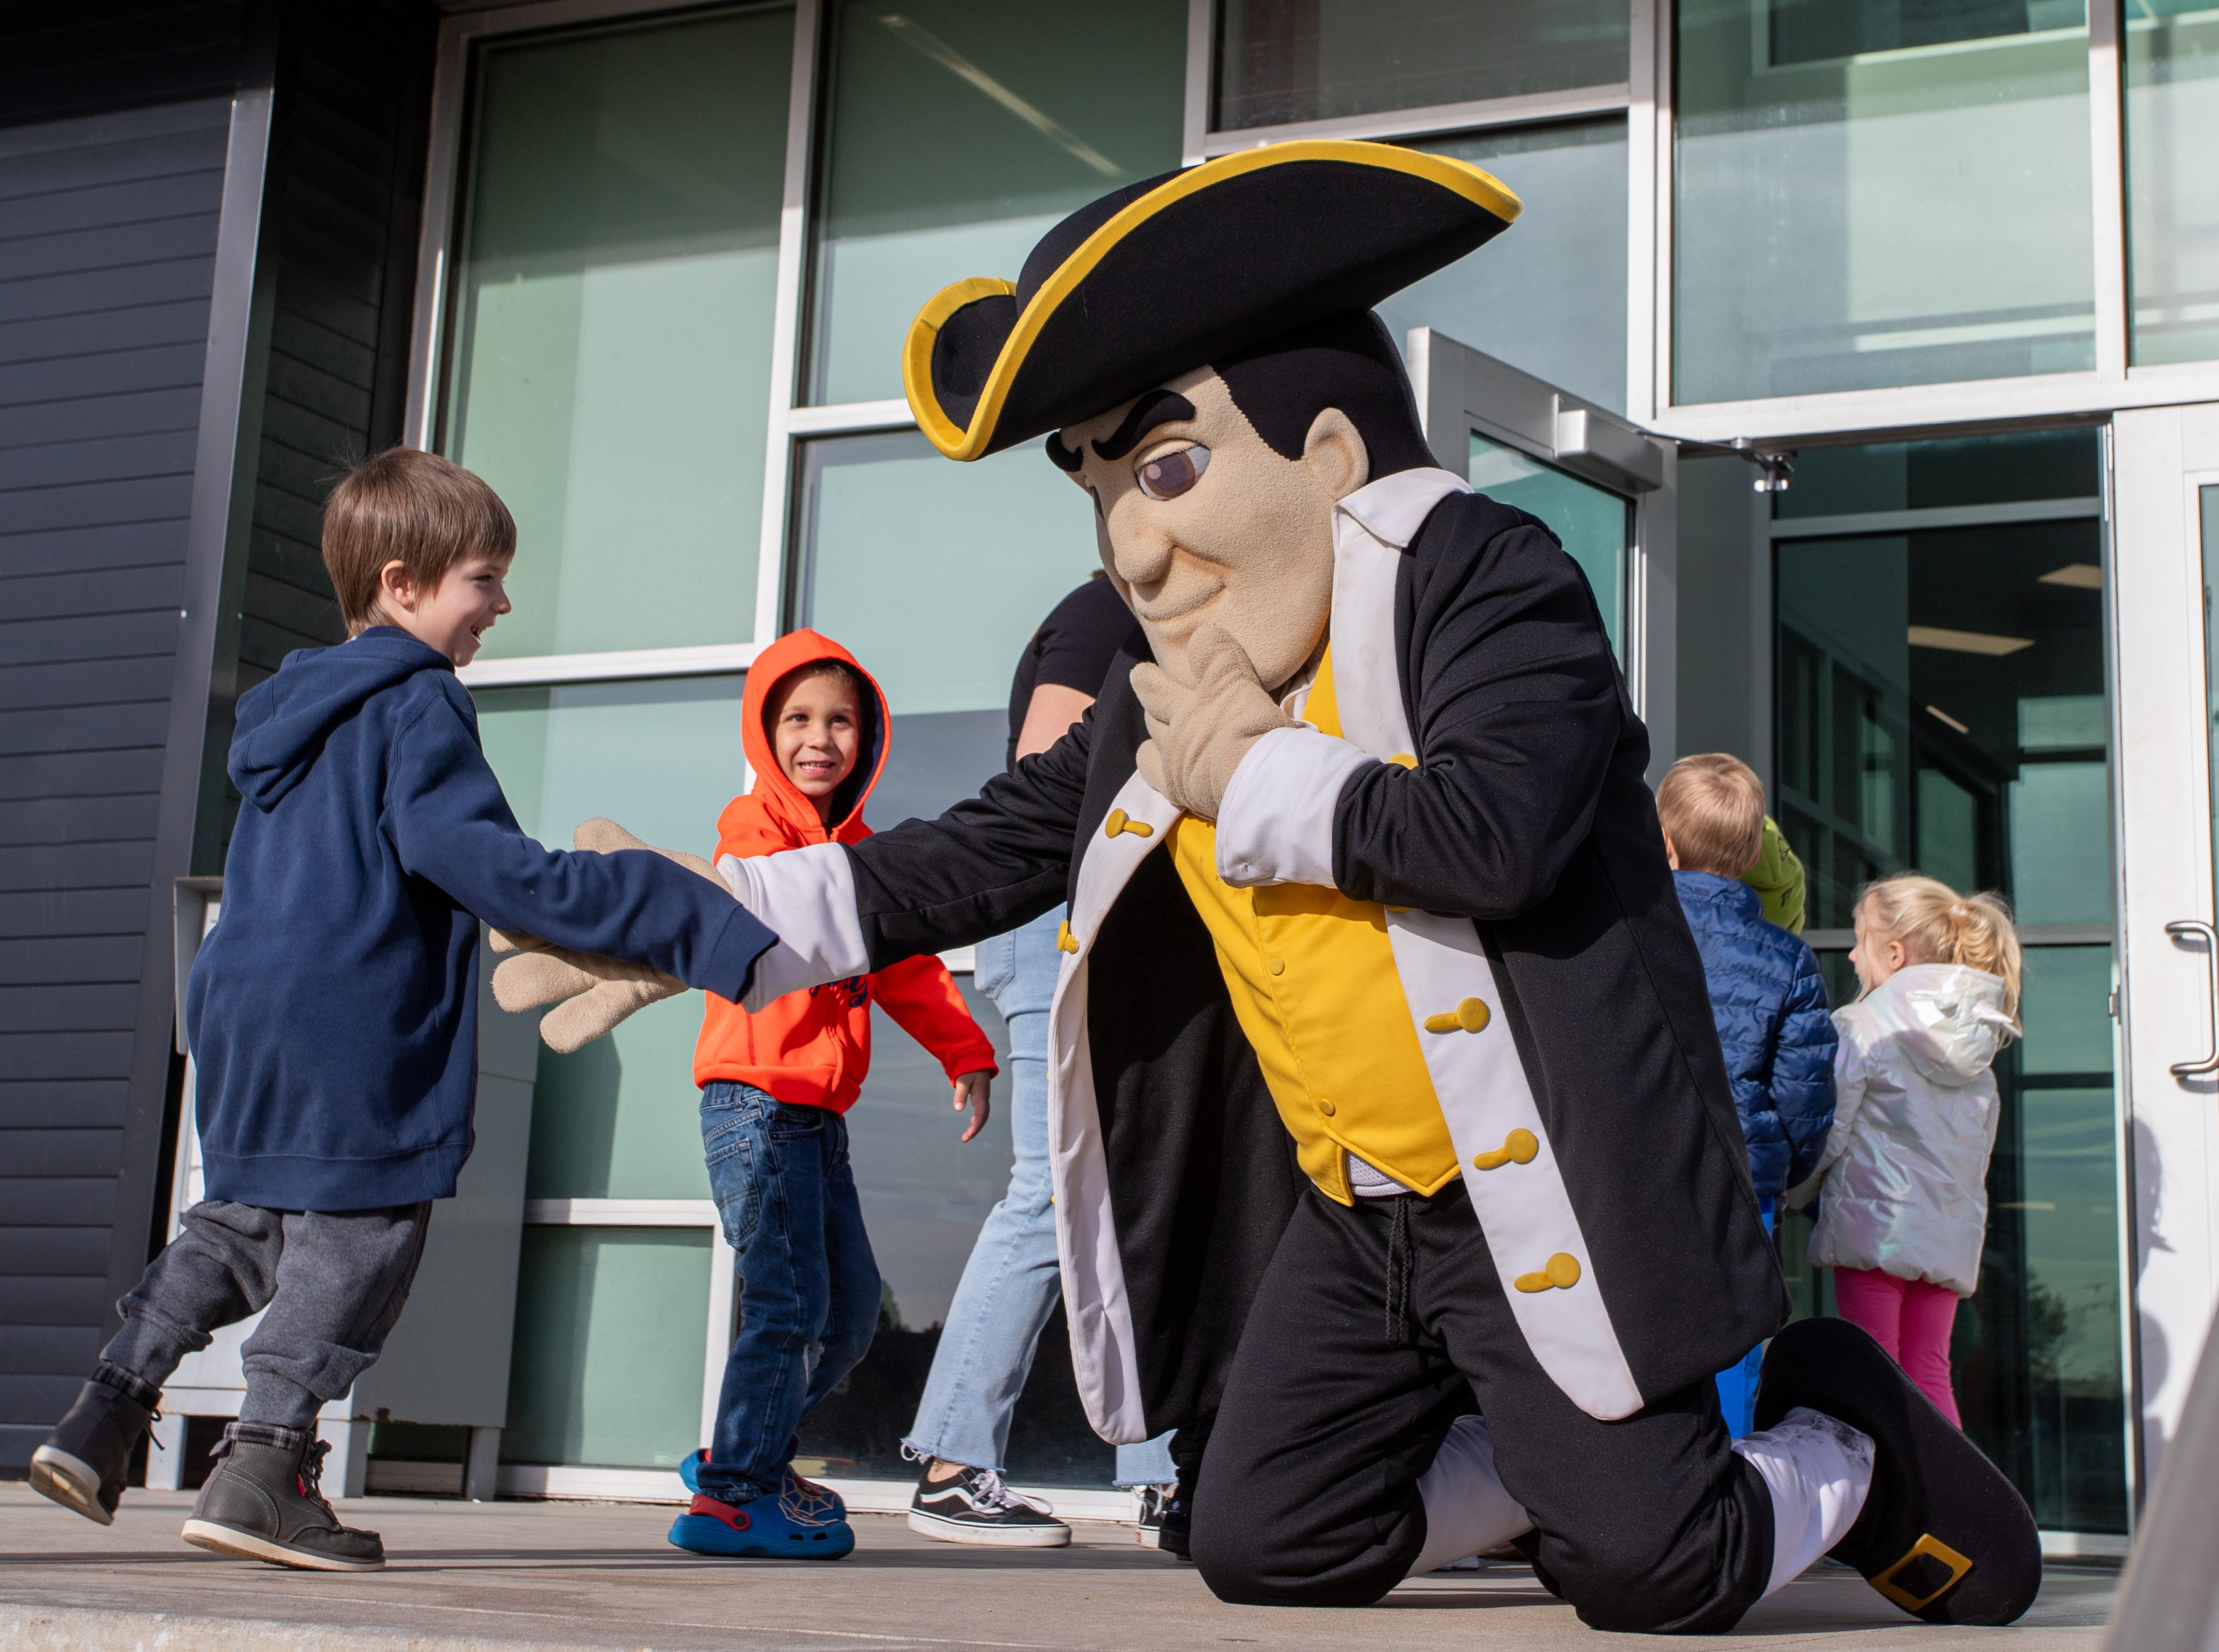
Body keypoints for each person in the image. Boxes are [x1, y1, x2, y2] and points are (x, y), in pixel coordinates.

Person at [530, 139, 2041, 1627]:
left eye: (1166, 467)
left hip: (1537, 1188)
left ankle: (1841, 1432)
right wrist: (709, 921)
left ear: (1327, 457)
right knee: (1260, 1535)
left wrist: (1251, 773)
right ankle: (1556, 1464)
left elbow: (1494, 831)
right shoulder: (1158, 694)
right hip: (1352, 1210)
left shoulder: (1488, 578)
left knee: (1656, 1570)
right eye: (1102, 491)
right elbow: (987, 848)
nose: (1133, 540)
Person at [25, 448, 775, 1571]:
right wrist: (681, 904)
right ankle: (264, 1467)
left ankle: (109, 1407)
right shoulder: (419, 702)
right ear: (401, 582)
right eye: (484, 578)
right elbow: (484, 867)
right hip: (351, 1009)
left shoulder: (296, 711)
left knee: (247, 1217)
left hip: (242, 1000)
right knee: (366, 1229)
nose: (503, 603)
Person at [668, 631, 998, 1562]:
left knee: (849, 1314)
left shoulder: (863, 853)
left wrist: (964, 1049)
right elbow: (765, 901)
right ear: (766, 730)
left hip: (818, 1117)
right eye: (799, 718)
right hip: (756, 1103)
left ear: (870, 735)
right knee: (787, 1306)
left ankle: (746, 1455)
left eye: (841, 720)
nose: (820, 737)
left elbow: (907, 967)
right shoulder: (753, 828)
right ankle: (734, 1495)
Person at [901, 574, 1178, 1549]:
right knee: (1050, 1194)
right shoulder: (1111, 610)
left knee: (1137, 1193)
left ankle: (1161, 1477)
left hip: (1097, 919)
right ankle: (952, 1462)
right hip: (1061, 916)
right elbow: (1044, 774)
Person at [1788, 875, 2023, 1428]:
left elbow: (1830, 1132)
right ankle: (1949, 1507)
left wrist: (1790, 1193)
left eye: (1858, 938)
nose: (1849, 954)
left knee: (1873, 1368)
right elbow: (1976, 1157)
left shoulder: (1861, 1026)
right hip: (1945, 1240)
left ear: (1893, 954)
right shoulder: (1978, 1051)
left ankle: (1890, 1506)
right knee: (1930, 1371)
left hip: (1875, 1230)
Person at [1657, 755, 1836, 1437]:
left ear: (1664, 843)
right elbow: (1805, 1091)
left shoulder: (1631, 936)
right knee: (1732, 1340)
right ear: (1757, 850)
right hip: (1742, 1179)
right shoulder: (1787, 957)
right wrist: (1784, 1166)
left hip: (1640, 1172)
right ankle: (1727, 1496)